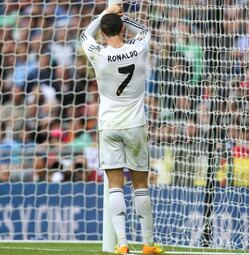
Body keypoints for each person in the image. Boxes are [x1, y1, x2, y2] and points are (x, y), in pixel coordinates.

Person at [80, 4, 163, 255]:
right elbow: (146, 30)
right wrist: (123, 17)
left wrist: (106, 11)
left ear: (103, 34)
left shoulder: (97, 53)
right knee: (141, 185)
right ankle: (148, 244)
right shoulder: (137, 48)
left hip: (109, 125)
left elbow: (84, 34)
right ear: (123, 29)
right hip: (135, 124)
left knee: (115, 184)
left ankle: (123, 244)